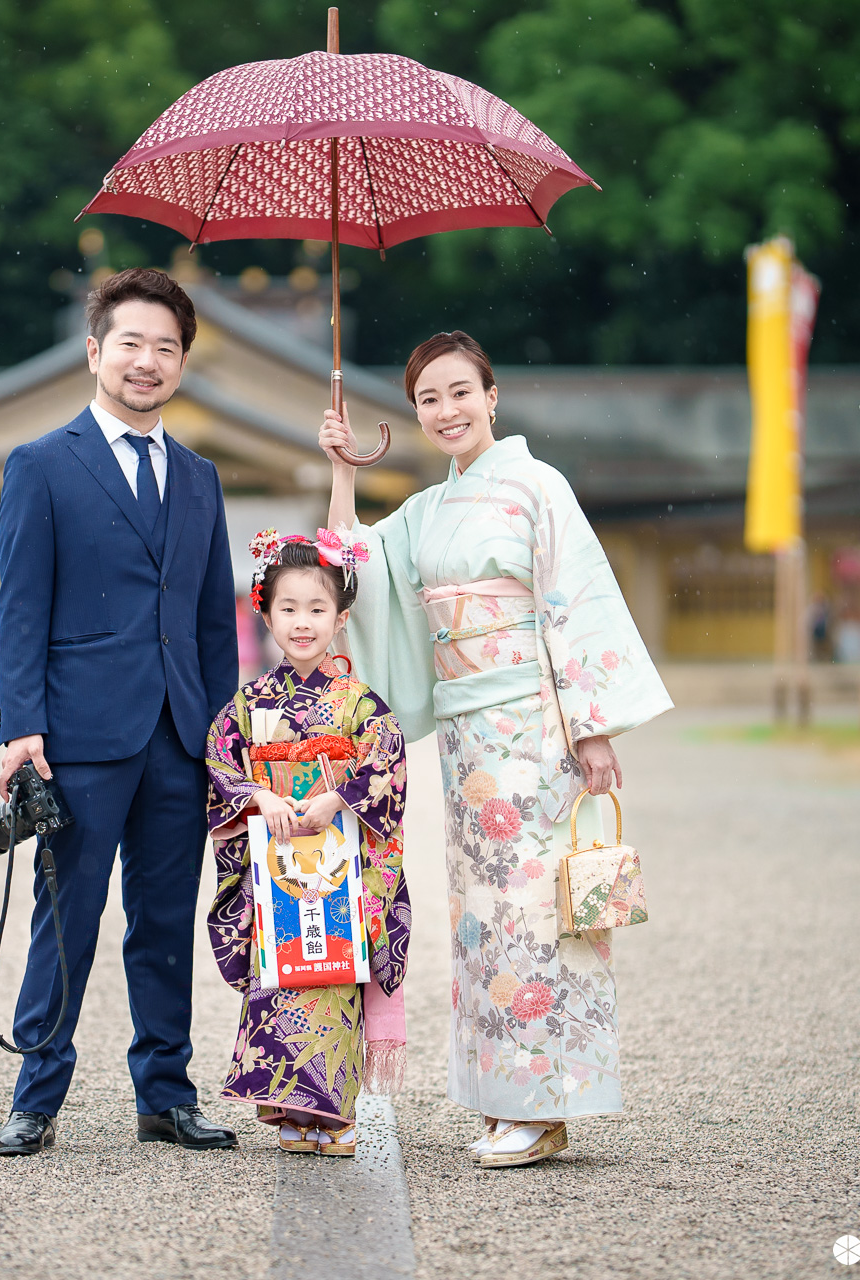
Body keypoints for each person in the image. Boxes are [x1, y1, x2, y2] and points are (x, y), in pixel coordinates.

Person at [320, 330, 673, 1169]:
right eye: (427, 400)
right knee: (481, 919)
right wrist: (341, 470)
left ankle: (545, 1104)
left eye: (459, 392)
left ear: (492, 396)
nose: (446, 411)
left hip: (534, 728)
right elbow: (350, 564)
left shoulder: (535, 486)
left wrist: (590, 730)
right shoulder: (430, 508)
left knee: (534, 915)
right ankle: (503, 1100)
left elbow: (571, 600)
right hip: (470, 741)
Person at [0, 268, 239, 1157]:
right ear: (95, 351)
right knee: (67, 917)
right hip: (78, 738)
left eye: (166, 348)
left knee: (167, 921)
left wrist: (224, 736)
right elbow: (21, 608)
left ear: (182, 365)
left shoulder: (202, 477)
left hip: (181, 735)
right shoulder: (42, 465)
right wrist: (20, 728)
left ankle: (164, 1096)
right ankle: (36, 1094)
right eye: (130, 343)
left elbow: (215, 622)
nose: (147, 361)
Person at [203, 532, 409, 1156]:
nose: (302, 623)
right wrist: (257, 797)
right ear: (264, 612)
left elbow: (386, 759)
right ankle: (291, 1105)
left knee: (333, 972)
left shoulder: (359, 703)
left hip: (339, 859)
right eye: (288, 608)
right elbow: (219, 760)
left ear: (341, 619)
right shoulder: (249, 702)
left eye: (317, 610)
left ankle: (334, 1112)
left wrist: (337, 799)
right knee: (283, 970)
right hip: (274, 859)